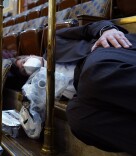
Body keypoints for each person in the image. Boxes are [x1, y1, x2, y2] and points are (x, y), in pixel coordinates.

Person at [12, 20, 136, 155]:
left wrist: (107, 30)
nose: (26, 66)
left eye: (24, 61)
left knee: (93, 73)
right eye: (23, 70)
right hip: (89, 85)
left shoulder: (54, 42)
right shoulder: (44, 85)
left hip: (105, 51)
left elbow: (89, 27)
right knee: (77, 118)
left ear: (32, 55)